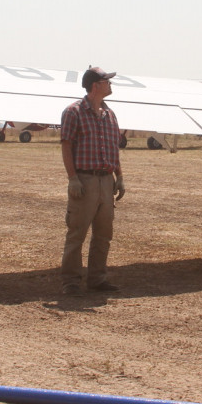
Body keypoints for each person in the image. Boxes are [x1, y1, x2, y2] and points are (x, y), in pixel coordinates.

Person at [58, 66, 125, 295]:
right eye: (107, 81)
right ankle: (71, 282)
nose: (110, 84)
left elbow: (113, 149)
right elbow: (66, 146)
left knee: (104, 233)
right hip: (85, 181)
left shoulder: (110, 114)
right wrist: (73, 179)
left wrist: (120, 176)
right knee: (77, 233)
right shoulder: (73, 112)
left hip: (106, 181)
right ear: (96, 85)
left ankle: (97, 278)